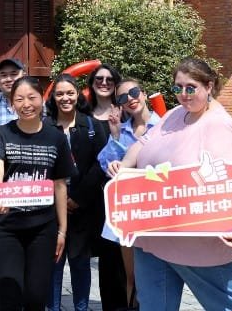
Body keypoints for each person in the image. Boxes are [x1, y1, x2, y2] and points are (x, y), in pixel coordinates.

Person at [109, 57, 232, 311]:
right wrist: (124, 166)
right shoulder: (176, 114)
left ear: (209, 86)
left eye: (191, 88)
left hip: (196, 242)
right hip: (153, 235)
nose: (183, 95)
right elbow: (144, 143)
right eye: (178, 88)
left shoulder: (219, 126)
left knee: (224, 305)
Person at [0, 76, 72, 311]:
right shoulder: (2, 133)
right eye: (19, 99)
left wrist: (62, 231)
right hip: (7, 226)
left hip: (43, 227)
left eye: (32, 97)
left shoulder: (56, 137)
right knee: (10, 293)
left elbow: (60, 185)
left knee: (36, 296)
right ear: (12, 104)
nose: (26, 104)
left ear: (42, 99)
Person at [97, 77, 160, 308]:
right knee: (129, 277)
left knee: (154, 276)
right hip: (127, 212)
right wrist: (114, 137)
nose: (130, 99)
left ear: (143, 93)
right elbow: (105, 164)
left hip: (157, 212)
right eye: (123, 97)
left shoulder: (164, 126)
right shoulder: (121, 130)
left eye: (133, 93)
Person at [45, 74, 105, 311]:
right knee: (54, 262)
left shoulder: (92, 126)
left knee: (80, 263)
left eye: (69, 92)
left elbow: (100, 164)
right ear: (53, 97)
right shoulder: (45, 126)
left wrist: (77, 198)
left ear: (78, 94)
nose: (65, 98)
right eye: (59, 93)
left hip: (83, 206)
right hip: (51, 206)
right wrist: (57, 197)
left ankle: (81, 307)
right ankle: (53, 307)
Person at [85, 63, 127, 310]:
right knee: (105, 256)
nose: (104, 82)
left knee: (121, 253)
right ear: (91, 83)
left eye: (109, 79)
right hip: (92, 195)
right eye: (99, 78)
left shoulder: (125, 111)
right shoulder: (84, 114)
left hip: (120, 193)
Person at [0, 59, 25, 126]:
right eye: (3, 75)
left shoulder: (35, 104)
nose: (9, 79)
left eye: (14, 74)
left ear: (23, 76)